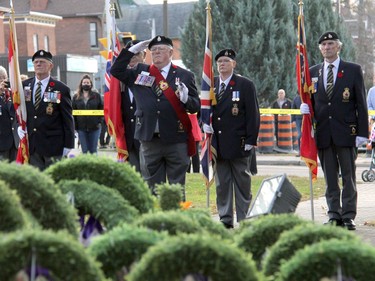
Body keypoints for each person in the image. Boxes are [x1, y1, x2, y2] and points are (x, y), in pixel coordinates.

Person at [110, 35, 200, 198]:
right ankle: (155, 221)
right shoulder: (139, 71)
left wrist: (186, 99)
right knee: (151, 187)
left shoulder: (185, 75)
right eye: (153, 50)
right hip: (149, 138)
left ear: (171, 52)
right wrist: (131, 51)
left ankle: (176, 221)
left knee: (177, 188)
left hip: (176, 139)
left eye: (161, 49)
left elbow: (195, 106)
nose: (156, 52)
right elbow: (115, 70)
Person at [300, 31, 368, 230]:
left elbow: (361, 104)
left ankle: (348, 215)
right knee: (330, 178)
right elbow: (312, 101)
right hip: (323, 133)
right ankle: (334, 214)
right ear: (320, 48)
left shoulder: (352, 70)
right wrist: (306, 110)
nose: (327, 48)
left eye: (330, 44)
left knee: (348, 177)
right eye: (323, 45)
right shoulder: (313, 72)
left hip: (347, 132)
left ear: (338, 46)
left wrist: (362, 133)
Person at [203, 49, 260, 228]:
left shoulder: (244, 84)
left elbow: (253, 114)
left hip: (239, 142)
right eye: (219, 61)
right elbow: (204, 108)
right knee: (222, 184)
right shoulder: (210, 84)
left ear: (234, 64)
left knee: (242, 183)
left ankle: (243, 218)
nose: (222, 64)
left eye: (226, 61)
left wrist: (251, 140)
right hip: (218, 144)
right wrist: (203, 123)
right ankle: (225, 218)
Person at [18, 50, 75, 170]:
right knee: (37, 183)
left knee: (53, 181)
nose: (38, 64)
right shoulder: (24, 86)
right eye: (36, 62)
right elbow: (17, 109)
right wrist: (18, 126)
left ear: (50, 66)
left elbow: (67, 118)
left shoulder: (60, 88)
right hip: (33, 145)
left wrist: (69, 144)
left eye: (42, 62)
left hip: (54, 145)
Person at [119, 39, 146, 172]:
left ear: (144, 56)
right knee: (134, 172)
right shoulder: (121, 79)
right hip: (129, 133)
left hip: (146, 134)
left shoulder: (151, 74)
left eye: (137, 54)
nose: (133, 58)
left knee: (148, 173)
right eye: (131, 55)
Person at [72, 74, 103, 154]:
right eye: (84, 82)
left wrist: (99, 122)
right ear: (81, 84)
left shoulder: (96, 96)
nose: (86, 84)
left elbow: (101, 110)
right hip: (81, 128)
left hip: (95, 127)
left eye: (88, 83)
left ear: (91, 84)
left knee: (93, 150)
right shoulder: (76, 97)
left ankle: (94, 166)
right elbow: (73, 111)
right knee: (84, 150)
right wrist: (75, 126)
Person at [0, 66, 19, 161]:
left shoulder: (11, 95)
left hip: (14, 143)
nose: (3, 80)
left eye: (5, 77)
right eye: (0, 77)